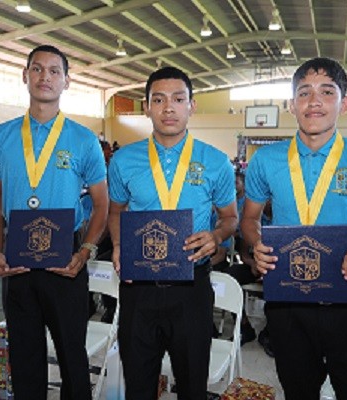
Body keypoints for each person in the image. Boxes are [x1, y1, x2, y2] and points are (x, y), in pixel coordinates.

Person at [241, 57, 347, 400]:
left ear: (344, 103)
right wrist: (255, 243)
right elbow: (248, 219)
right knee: (298, 392)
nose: (313, 101)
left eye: (326, 92)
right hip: (288, 302)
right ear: (291, 105)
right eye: (304, 93)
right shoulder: (267, 160)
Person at [0, 44, 109, 400]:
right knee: (24, 357)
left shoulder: (84, 140)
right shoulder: (1, 137)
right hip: (16, 259)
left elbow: (101, 204)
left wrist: (85, 250)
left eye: (55, 71)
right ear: (25, 76)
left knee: (72, 355)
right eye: (37, 69)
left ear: (66, 81)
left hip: (66, 258)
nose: (45, 77)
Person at [107, 66, 238, 399]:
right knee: (138, 384)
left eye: (179, 99)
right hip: (139, 288)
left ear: (191, 106)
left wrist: (216, 236)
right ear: (147, 107)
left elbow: (230, 218)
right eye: (159, 100)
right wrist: (120, 244)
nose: (169, 108)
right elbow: (115, 211)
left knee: (193, 386)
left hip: (191, 288)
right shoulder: (123, 160)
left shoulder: (216, 162)